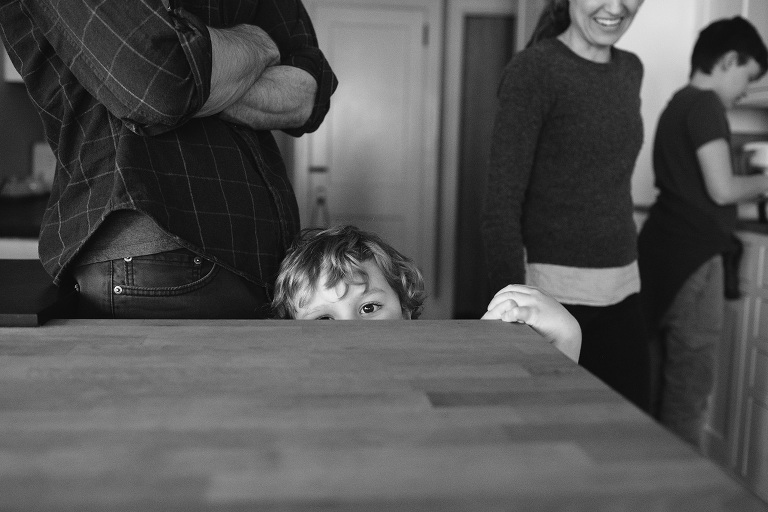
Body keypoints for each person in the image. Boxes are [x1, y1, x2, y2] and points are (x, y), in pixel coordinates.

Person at [0, 1, 337, 318]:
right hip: (163, 252)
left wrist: (195, 72)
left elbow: (308, 96)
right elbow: (158, 83)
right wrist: (260, 43)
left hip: (271, 264)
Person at [480, 0, 649, 409]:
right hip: (553, 297)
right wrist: (513, 306)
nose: (616, 6)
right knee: (551, 430)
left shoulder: (631, 69)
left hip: (624, 290)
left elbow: (610, 179)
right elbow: (501, 200)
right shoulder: (534, 70)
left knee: (625, 433)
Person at [638, 17, 768, 449]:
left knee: (659, 382)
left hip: (663, 253)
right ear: (729, 59)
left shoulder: (678, 103)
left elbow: (697, 189)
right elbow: (723, 188)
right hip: (695, 260)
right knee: (689, 393)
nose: (745, 91)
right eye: (747, 78)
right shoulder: (706, 105)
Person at [272, 225, 582, 362]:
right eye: (324, 319)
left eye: (369, 308)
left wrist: (567, 338)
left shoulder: (436, 367)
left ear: (405, 312)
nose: (352, 331)